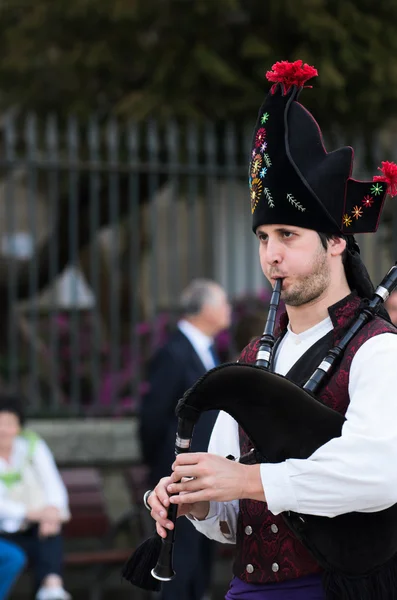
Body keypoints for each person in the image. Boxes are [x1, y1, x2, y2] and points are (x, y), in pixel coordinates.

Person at [146, 60, 397, 599]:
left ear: (335, 241)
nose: (271, 255)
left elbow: (381, 473)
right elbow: (234, 520)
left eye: (287, 235)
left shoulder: (380, 350)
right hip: (247, 588)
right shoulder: (252, 354)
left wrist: (246, 479)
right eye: (263, 237)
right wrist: (199, 500)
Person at [140, 278, 231, 600]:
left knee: (200, 562)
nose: (228, 310)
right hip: (178, 472)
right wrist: (162, 466)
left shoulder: (208, 350)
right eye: (222, 303)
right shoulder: (173, 352)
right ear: (205, 309)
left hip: (204, 473)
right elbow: (152, 417)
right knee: (179, 561)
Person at [0, 394, 71, 600]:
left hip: (33, 527)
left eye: (9, 423)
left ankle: (52, 588)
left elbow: (53, 484)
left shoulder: (32, 446)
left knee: (50, 531)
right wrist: (30, 513)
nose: (3, 430)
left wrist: (52, 513)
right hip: (5, 531)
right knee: (15, 556)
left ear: (19, 427)